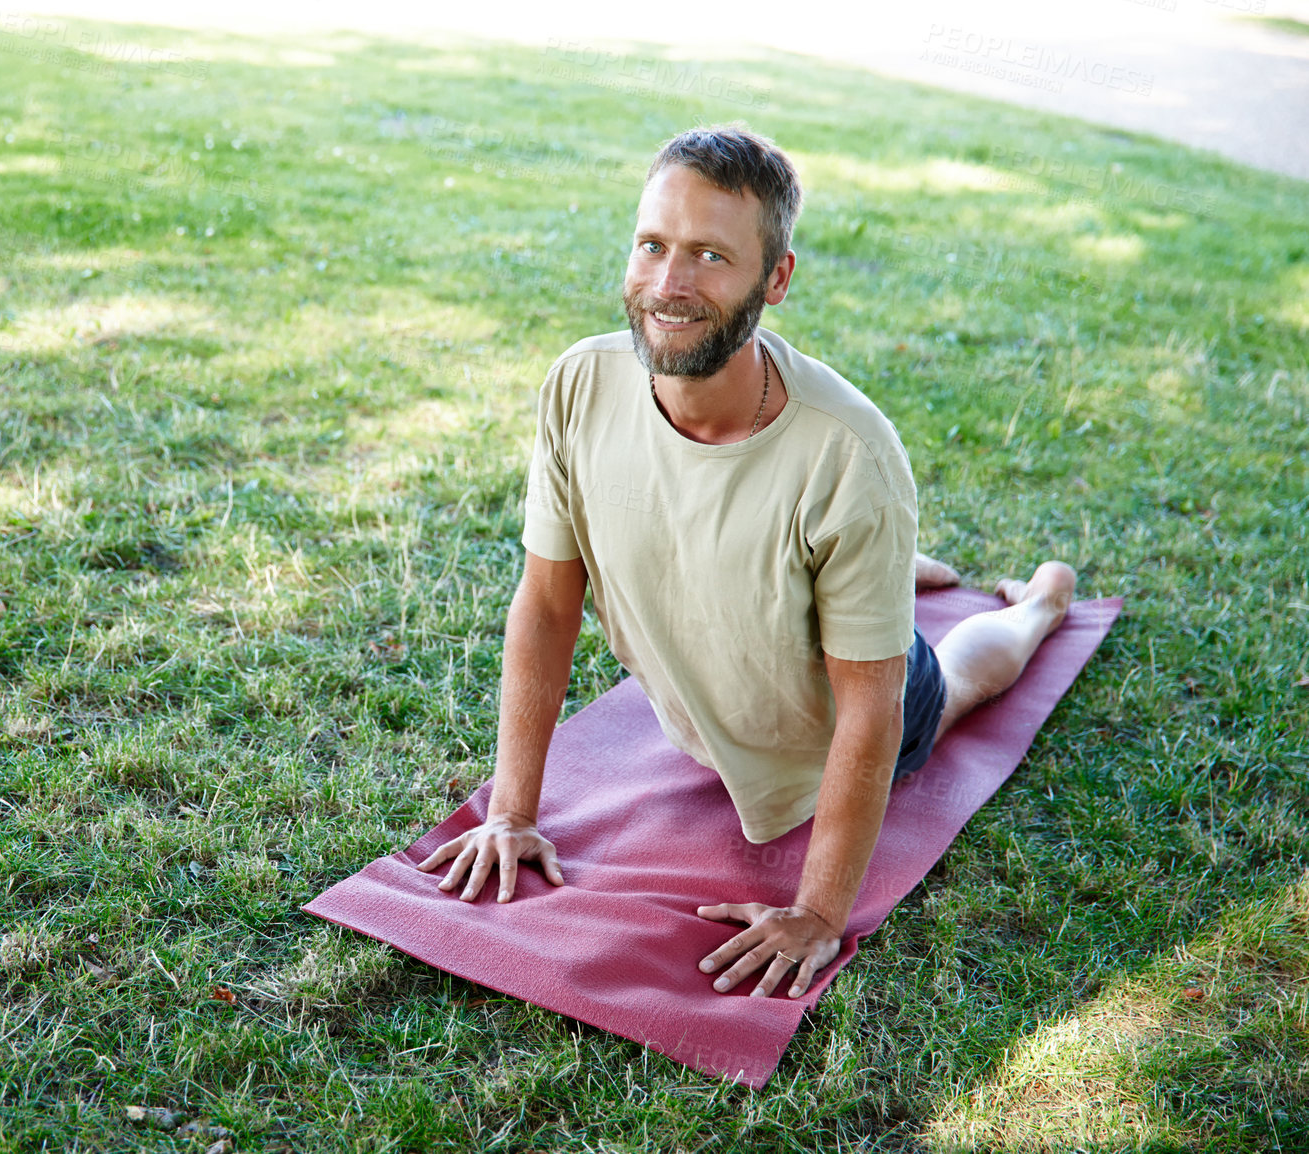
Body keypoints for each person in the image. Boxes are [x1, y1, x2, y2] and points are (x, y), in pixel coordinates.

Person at [416, 126, 1077, 1001]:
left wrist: (816, 911)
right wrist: (510, 811)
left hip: (847, 712)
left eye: (709, 256)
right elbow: (544, 604)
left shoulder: (850, 456)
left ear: (777, 279)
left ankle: (1039, 599)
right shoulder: (579, 384)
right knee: (809, 565)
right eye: (651, 244)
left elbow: (871, 716)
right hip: (731, 653)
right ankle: (869, 572)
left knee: (949, 679)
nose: (668, 284)